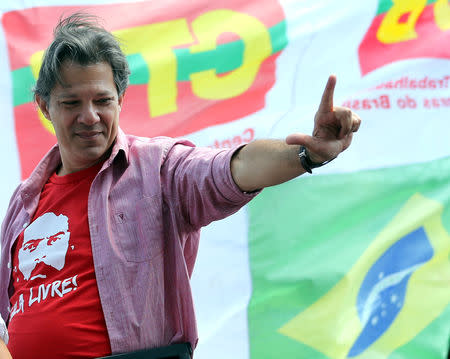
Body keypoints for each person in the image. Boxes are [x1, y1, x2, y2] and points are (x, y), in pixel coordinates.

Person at [0, 13, 361, 359]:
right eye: (71, 103)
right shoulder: (24, 201)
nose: (90, 116)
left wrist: (305, 154)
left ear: (121, 99)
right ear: (44, 107)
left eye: (102, 100)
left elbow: (233, 168)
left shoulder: (159, 170)